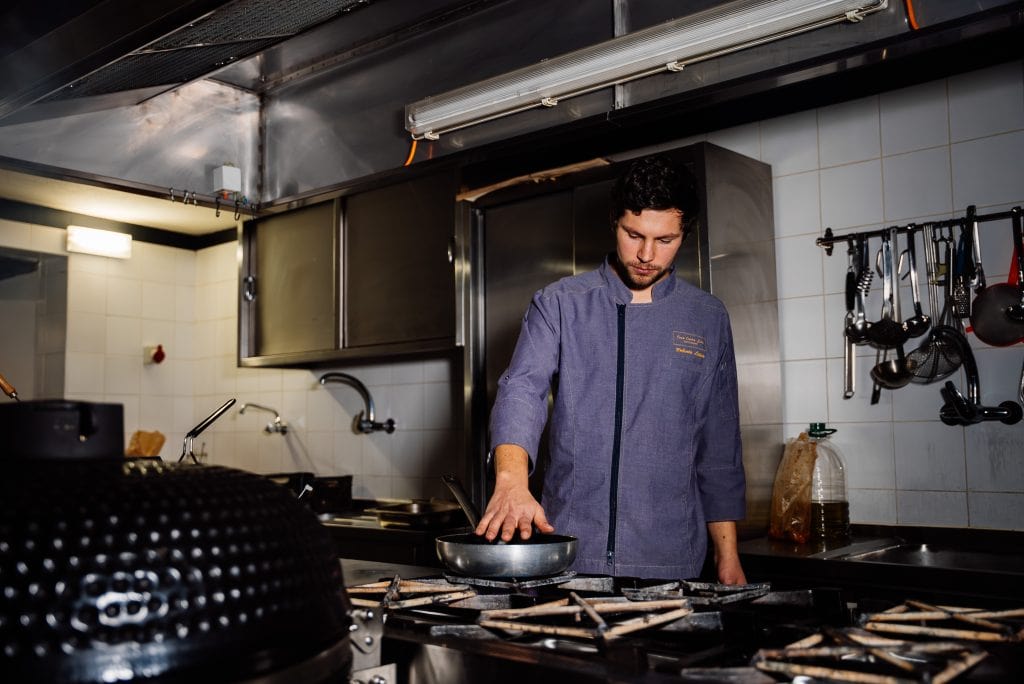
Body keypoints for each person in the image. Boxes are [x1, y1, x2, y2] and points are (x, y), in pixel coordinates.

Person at [478, 154, 747, 583]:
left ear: (685, 235)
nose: (645, 254)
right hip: (569, 558)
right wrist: (511, 479)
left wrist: (727, 557)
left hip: (672, 563)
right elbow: (522, 389)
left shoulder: (708, 318)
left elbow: (719, 449)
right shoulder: (560, 304)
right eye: (633, 234)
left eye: (665, 240)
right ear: (613, 222)